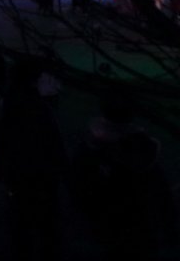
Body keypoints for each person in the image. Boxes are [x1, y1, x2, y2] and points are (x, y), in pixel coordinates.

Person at [70, 94, 175, 251]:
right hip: (139, 224)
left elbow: (80, 183)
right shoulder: (143, 148)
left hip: (108, 223)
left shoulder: (90, 147)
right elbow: (161, 192)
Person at [0, 58, 65, 261]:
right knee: (44, 227)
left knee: (20, 227)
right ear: (32, 80)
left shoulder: (4, 105)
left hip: (16, 175)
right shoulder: (38, 107)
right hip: (40, 175)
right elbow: (53, 142)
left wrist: (1, 169)